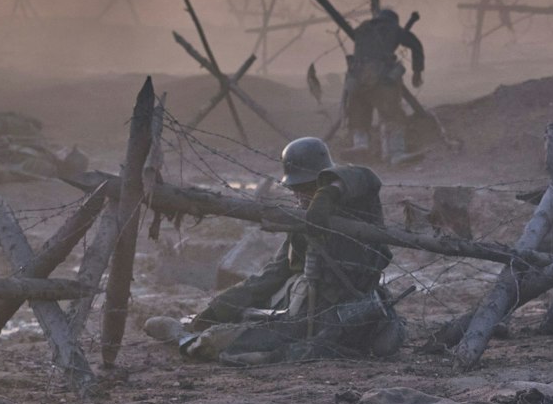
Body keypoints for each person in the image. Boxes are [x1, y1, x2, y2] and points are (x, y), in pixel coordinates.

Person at [152, 137, 405, 365]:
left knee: (231, 348)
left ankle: (185, 339)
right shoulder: (303, 222)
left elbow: (365, 177)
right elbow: (275, 272)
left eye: (308, 188)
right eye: (297, 190)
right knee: (240, 333)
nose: (301, 196)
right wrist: (220, 307)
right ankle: (184, 333)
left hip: (352, 309)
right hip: (304, 311)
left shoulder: (359, 204)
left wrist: (328, 193)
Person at [342, 8, 425, 161]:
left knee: (359, 113)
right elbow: (415, 44)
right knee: (392, 114)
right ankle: (395, 152)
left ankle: (361, 144)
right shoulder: (393, 29)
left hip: (357, 77)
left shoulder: (362, 29)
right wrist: (417, 71)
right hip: (382, 77)